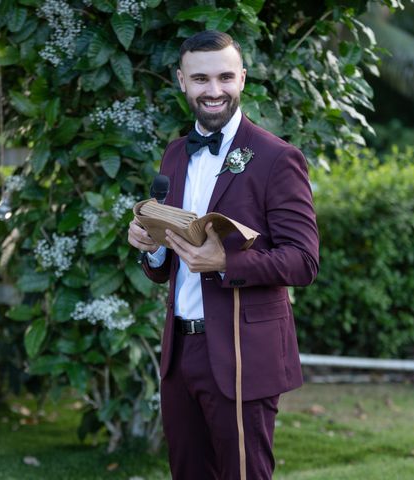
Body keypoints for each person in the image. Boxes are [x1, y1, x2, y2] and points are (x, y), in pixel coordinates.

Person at [128, 31, 319, 479]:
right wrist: (152, 249)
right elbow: (169, 261)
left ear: (243, 79)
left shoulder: (277, 158)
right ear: (182, 81)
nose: (214, 90)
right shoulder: (174, 154)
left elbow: (304, 261)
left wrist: (225, 263)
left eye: (225, 77)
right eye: (200, 79)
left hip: (242, 353)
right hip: (180, 354)